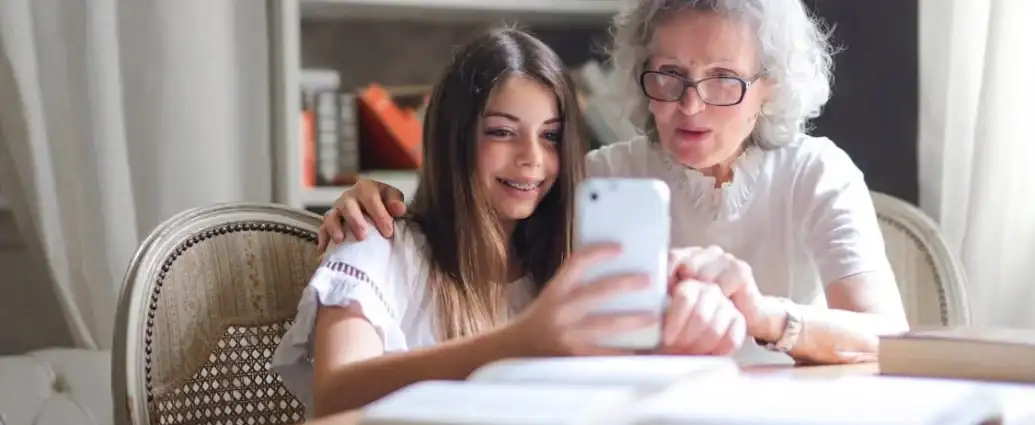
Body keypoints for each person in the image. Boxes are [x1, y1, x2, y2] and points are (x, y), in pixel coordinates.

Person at [317, 0, 911, 367]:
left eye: (723, 79)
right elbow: (483, 220)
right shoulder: (599, 177)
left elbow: (890, 338)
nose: (689, 106)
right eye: (669, 76)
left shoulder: (816, 171)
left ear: (770, 88)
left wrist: (764, 316)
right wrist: (375, 199)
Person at [272, 27, 748, 419]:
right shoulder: (376, 241)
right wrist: (518, 343)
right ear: (453, 138)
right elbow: (335, 394)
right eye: (502, 132)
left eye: (551, 137)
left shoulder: (564, 265)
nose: (532, 160)